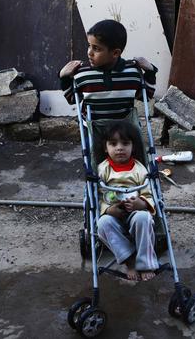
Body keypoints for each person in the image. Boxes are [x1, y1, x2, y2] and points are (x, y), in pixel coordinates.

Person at [59, 19, 157, 121]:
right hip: (93, 126)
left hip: (123, 126)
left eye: (96, 48)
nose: (89, 52)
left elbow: (145, 96)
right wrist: (64, 77)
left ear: (115, 53)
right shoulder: (83, 73)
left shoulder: (132, 73)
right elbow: (72, 99)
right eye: (89, 46)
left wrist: (150, 71)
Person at [96, 121, 158, 281]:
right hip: (113, 213)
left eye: (125, 143)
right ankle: (129, 260)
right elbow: (99, 196)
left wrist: (141, 203)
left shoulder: (139, 169)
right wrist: (108, 210)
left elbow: (148, 194)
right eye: (113, 144)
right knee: (102, 224)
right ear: (105, 148)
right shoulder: (103, 169)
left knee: (144, 217)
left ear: (133, 146)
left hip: (136, 212)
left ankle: (145, 264)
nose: (119, 148)